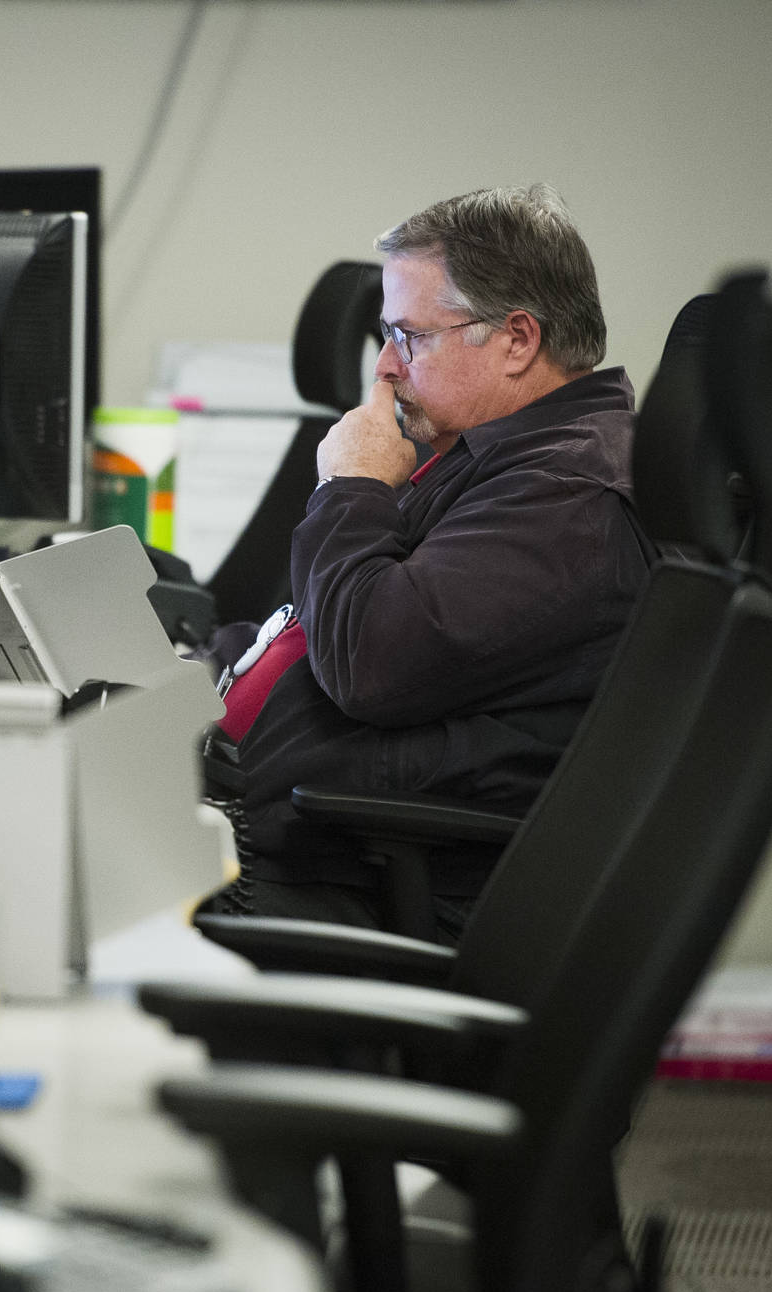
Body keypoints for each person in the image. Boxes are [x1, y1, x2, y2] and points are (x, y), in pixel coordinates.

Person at [208, 184, 654, 941]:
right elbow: (332, 621)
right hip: (305, 840)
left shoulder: (568, 498)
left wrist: (351, 486)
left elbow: (371, 659)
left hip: (368, 883)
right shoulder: (499, 452)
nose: (384, 367)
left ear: (517, 338)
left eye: (408, 336)